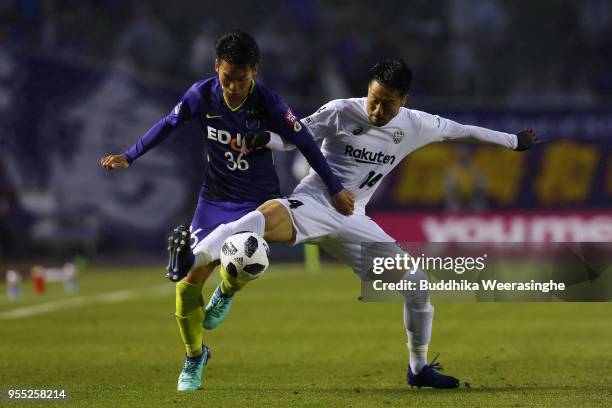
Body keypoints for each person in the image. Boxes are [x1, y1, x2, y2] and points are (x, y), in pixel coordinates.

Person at [167, 58, 539, 389]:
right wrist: (267, 138)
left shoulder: (418, 125)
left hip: (354, 219)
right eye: (373, 97)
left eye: (387, 103)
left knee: (418, 286)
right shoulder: (340, 111)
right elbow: (296, 137)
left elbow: (465, 130)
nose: (376, 108)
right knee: (254, 221)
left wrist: (513, 142)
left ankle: (418, 368)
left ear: (403, 101)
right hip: (313, 203)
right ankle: (192, 260)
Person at [100, 31, 354, 392]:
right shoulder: (201, 95)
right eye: (227, 77)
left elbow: (305, 141)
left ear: (255, 71)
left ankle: (229, 290)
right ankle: (194, 356)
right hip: (214, 200)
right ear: (216, 67)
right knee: (187, 286)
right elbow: (169, 123)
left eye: (242, 79)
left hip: (257, 202)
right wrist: (130, 154)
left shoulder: (268, 102)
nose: (234, 87)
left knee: (240, 261)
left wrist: (335, 187)